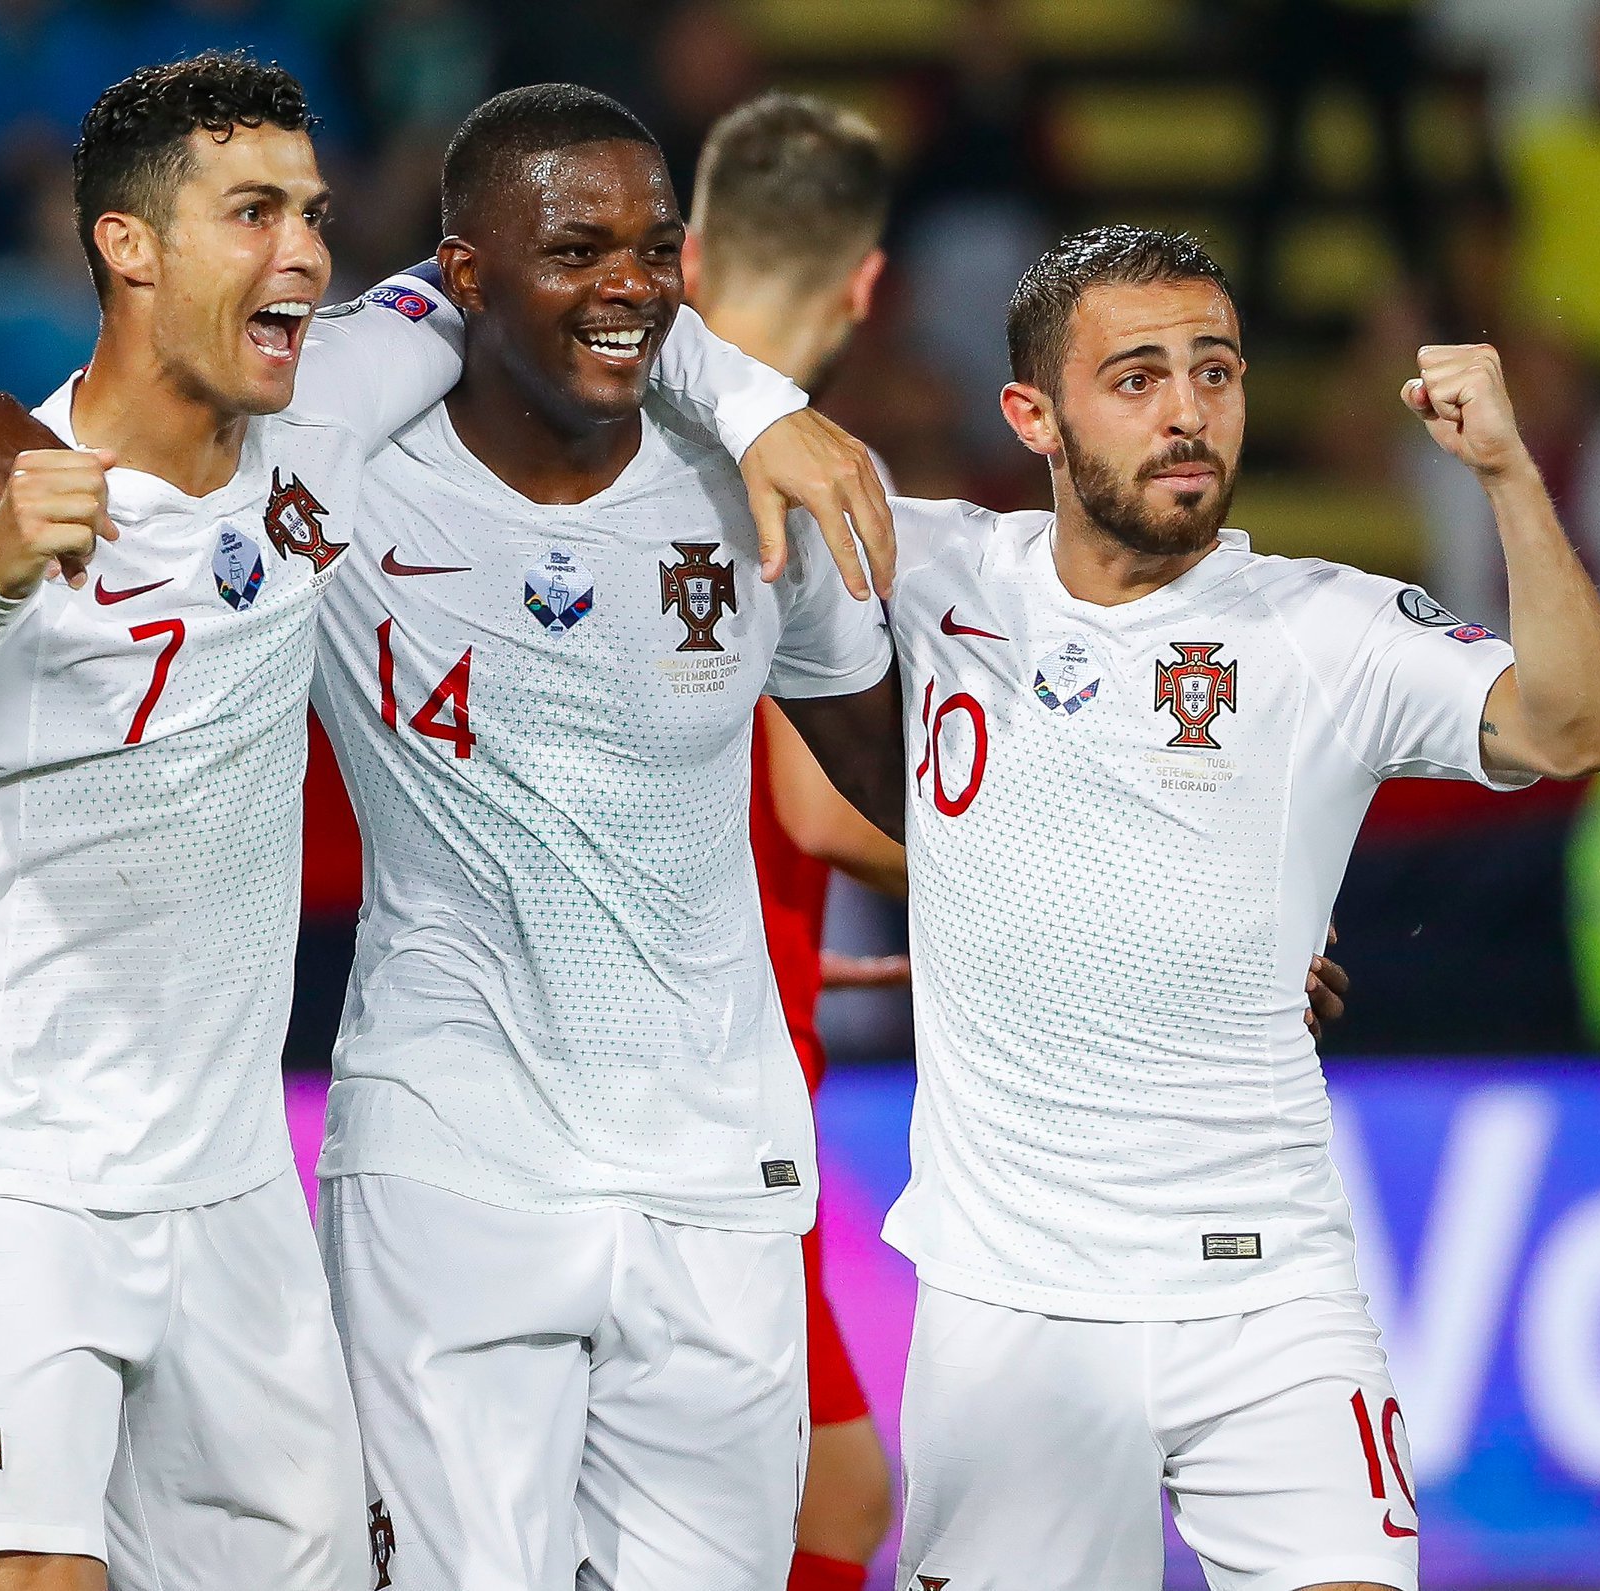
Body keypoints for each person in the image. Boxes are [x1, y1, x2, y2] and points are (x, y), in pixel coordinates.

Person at [0, 55, 885, 1591]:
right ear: (133, 245)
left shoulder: (333, 401)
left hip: (239, 1180)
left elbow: (529, 290)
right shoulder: (6, 493)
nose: (306, 251)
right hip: (18, 1163)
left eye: (312, 212)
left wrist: (762, 401)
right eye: (254, 213)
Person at [817, 226, 1600, 1591]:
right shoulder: (940, 570)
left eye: (1215, 370)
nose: (1188, 410)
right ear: (1034, 415)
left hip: (1270, 1292)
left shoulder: (1329, 627)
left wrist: (1504, 470)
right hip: (1014, 1303)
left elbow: (1575, 723)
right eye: (1136, 377)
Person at [303, 85, 898, 1591]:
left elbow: (894, 784)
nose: (629, 281)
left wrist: (1153, 925)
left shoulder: (759, 493)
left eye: (655, 246)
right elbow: (200, 406)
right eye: (577, 247)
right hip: (453, 1161)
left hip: (715, 1171)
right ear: (465, 274)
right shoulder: (341, 482)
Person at [683, 90, 904, 1591]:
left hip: (637, 1034)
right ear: (868, 283)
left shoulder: (593, 439)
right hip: (729, 1087)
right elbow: (826, 797)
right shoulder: (810, 470)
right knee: (831, 1493)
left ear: (685, 253)